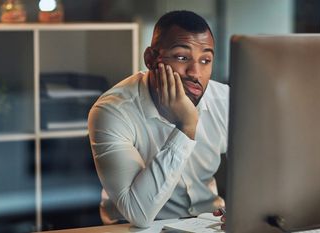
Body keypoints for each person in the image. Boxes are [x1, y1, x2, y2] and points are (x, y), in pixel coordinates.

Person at [88, 10, 228, 228]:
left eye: (205, 60)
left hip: (207, 224)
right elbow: (138, 213)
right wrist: (186, 126)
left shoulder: (224, 100)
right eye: (182, 57)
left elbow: (260, 169)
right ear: (151, 59)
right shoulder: (111, 111)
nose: (195, 72)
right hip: (132, 228)